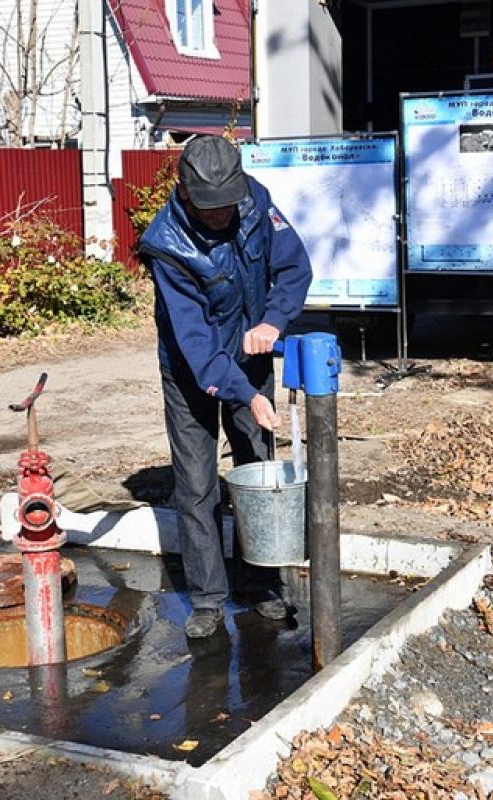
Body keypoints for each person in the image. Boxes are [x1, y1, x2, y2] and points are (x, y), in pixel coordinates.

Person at [137, 135, 312, 639]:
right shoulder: (166, 246)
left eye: (227, 205)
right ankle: (209, 599)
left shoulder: (254, 202)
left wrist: (274, 322)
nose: (222, 216)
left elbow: (295, 268)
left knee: (257, 469)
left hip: (252, 354)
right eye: (211, 208)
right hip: (191, 371)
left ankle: (258, 585)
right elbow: (197, 347)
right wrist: (249, 396)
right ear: (185, 194)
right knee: (196, 483)